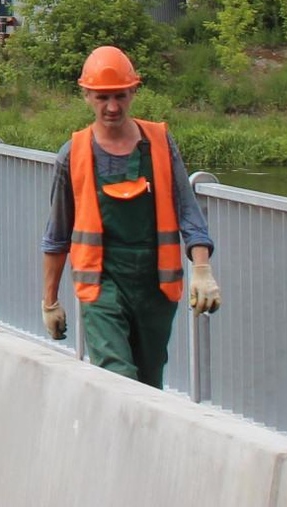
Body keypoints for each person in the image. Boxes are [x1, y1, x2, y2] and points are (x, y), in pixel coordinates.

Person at [41, 45, 222, 386]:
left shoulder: (159, 143)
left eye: (120, 96)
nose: (112, 107)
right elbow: (57, 235)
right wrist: (50, 301)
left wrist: (202, 269)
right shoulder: (73, 155)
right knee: (117, 376)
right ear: (86, 96)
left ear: (134, 92)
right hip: (101, 285)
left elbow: (188, 210)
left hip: (155, 288)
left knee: (149, 383)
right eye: (102, 97)